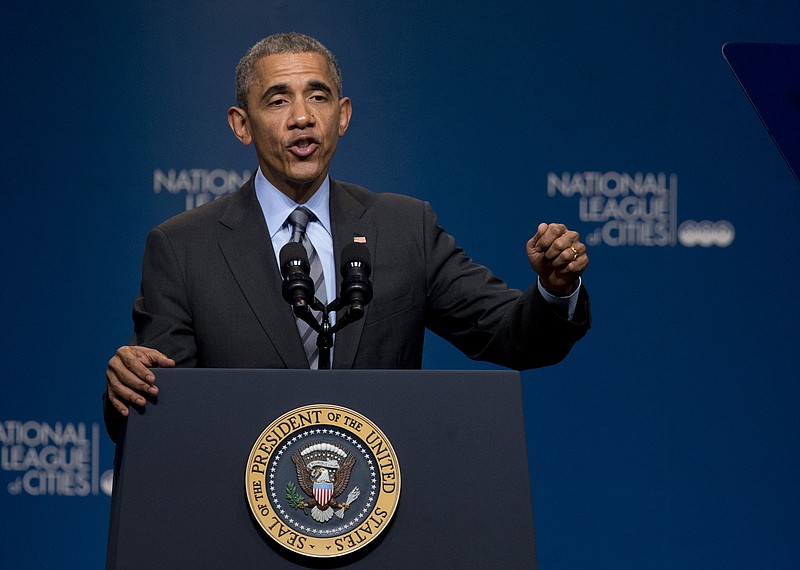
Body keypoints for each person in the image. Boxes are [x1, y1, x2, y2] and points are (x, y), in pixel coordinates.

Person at [104, 33, 590, 435]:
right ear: (241, 125)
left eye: (318, 96)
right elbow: (158, 413)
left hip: (382, 524)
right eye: (278, 100)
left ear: (343, 115)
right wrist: (125, 388)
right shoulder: (184, 248)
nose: (302, 116)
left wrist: (554, 290)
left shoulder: (404, 228)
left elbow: (512, 336)